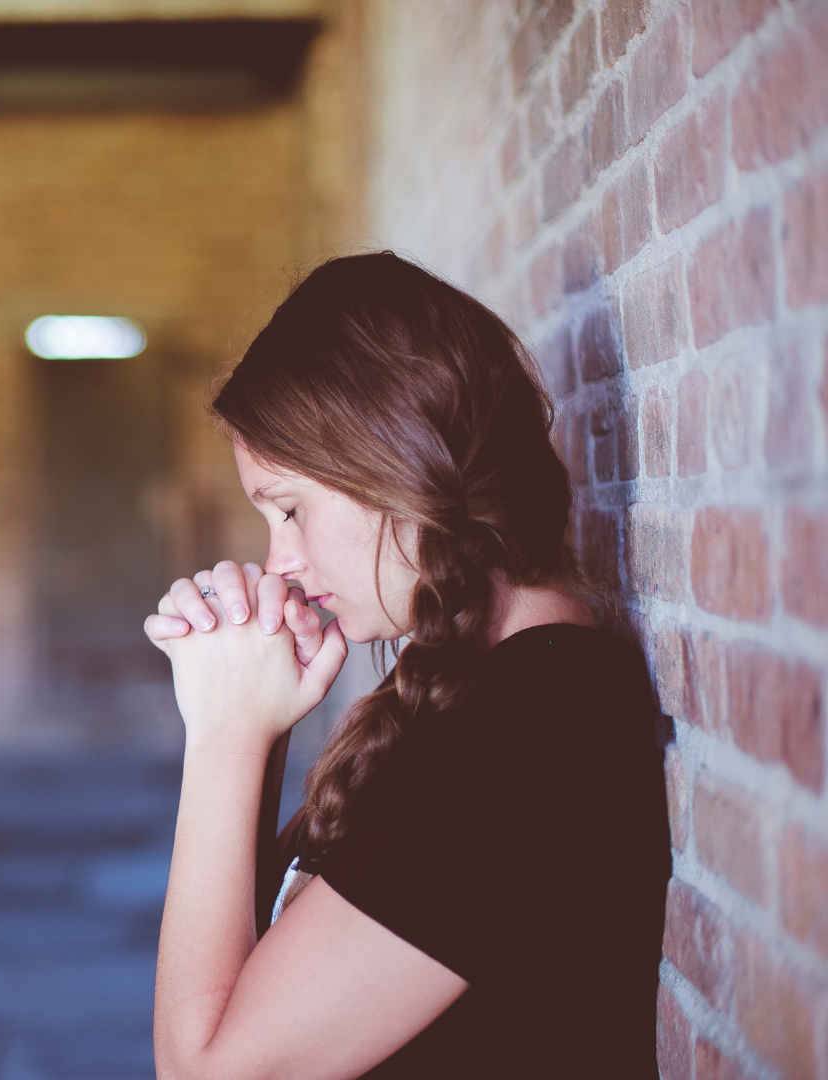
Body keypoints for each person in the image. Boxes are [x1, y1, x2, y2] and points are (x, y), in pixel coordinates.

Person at [143, 252, 672, 1079]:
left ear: (398, 464)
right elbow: (254, 979)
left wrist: (224, 737)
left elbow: (210, 1070)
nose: (278, 561)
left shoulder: (532, 734)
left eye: (290, 509)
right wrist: (263, 724)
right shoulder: (479, 690)